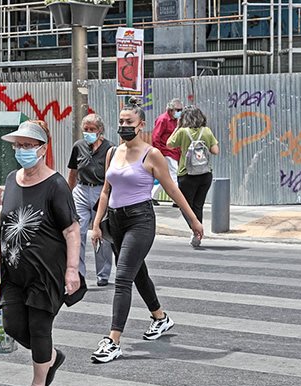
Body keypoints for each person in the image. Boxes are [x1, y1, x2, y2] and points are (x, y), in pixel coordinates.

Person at [89, 99, 204, 364]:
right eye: (121, 121)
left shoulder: (152, 155)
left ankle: (113, 340)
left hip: (140, 220)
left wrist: (194, 220)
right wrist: (96, 225)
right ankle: (160, 317)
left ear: (141, 125)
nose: (124, 126)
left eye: (129, 122)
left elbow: (173, 190)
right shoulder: (112, 153)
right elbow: (106, 191)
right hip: (115, 221)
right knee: (138, 273)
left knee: (123, 278)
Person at [0, 120, 80, 386]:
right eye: (18, 145)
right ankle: (50, 356)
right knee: (12, 324)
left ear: (43, 149)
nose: (22, 150)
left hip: (46, 273)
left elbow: (71, 230)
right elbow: (8, 224)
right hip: (14, 270)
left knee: (39, 327)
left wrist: (72, 270)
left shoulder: (55, 184)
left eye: (28, 145)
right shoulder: (13, 179)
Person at [67, 113, 115, 286]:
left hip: (100, 191)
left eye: (92, 129)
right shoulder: (78, 146)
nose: (88, 132)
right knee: (77, 232)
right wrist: (68, 193)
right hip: (81, 190)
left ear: (100, 130)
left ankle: (103, 274)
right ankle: (78, 273)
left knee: (99, 232)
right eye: (85, 129)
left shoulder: (110, 149)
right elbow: (73, 172)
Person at [167, 105, 220, 247]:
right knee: (198, 205)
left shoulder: (183, 132)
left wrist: (177, 128)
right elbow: (215, 150)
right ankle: (197, 233)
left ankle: (195, 230)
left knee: (184, 206)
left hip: (186, 174)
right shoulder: (207, 131)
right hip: (205, 174)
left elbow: (169, 145)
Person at [150, 98, 184, 202]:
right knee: (174, 175)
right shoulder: (163, 120)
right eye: (177, 110)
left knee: (165, 176)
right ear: (170, 110)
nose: (179, 112)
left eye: (180, 110)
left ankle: (152, 196)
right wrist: (159, 153)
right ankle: (177, 200)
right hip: (166, 152)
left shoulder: (176, 121)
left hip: (174, 152)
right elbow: (156, 137)